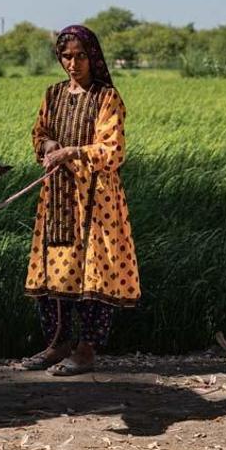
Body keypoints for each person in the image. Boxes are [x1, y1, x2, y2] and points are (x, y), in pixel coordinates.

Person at [21, 24, 140, 375]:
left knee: (93, 275)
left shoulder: (107, 97)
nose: (73, 64)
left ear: (93, 57)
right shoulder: (53, 95)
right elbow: (39, 133)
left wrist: (70, 151)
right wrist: (47, 146)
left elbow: (112, 150)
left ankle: (86, 350)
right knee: (55, 270)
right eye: (66, 57)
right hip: (57, 198)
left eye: (80, 56)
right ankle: (57, 344)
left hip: (96, 200)